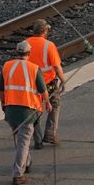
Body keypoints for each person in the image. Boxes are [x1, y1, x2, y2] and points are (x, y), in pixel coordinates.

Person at [0, 41, 53, 185]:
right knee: (23, 142)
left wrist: (3, 105)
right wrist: (47, 102)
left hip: (10, 110)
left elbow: (1, 91)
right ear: (29, 53)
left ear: (17, 52)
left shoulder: (7, 66)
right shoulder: (33, 68)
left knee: (20, 140)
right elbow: (43, 90)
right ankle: (18, 174)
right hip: (27, 111)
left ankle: (26, 164)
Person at [25, 19, 65, 149]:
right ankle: (50, 134)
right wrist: (63, 80)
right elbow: (56, 66)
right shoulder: (49, 45)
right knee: (55, 104)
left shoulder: (25, 44)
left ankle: (37, 139)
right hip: (48, 83)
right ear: (44, 31)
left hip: (31, 84)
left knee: (34, 110)